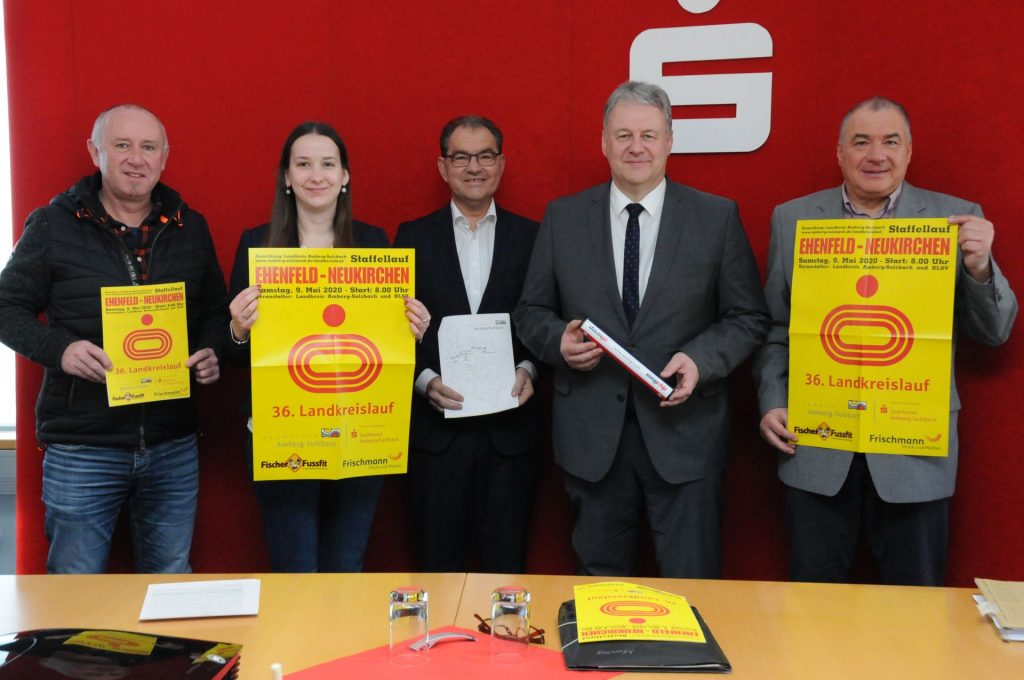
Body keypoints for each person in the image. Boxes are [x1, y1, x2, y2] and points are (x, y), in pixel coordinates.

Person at [753, 96, 1018, 586]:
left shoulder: (955, 219)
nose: (877, 154)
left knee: (915, 614)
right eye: (861, 142)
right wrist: (772, 399)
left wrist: (980, 268)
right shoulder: (792, 220)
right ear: (839, 153)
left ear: (909, 151)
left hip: (914, 454)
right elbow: (775, 328)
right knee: (810, 615)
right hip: (816, 449)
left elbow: (995, 332)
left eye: (890, 141)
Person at [513, 81, 769, 578]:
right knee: (599, 595)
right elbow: (530, 310)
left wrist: (701, 359)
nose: (636, 147)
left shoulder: (715, 217)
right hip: (592, 442)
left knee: (692, 590)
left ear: (670, 141)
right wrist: (558, 344)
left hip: (685, 439)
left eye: (649, 135)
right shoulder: (564, 218)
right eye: (624, 134)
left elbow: (748, 317)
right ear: (604, 142)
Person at [0, 104, 229, 573]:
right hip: (83, 447)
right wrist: (59, 350)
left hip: (171, 443)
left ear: (164, 157)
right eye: (121, 145)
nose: (136, 159)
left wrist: (212, 352)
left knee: (169, 588)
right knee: (74, 593)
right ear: (95, 152)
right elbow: (5, 308)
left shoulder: (191, 227)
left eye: (148, 148)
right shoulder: (52, 224)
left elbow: (213, 313)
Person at [227, 121, 430, 573]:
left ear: (345, 176)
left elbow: (386, 354)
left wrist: (413, 329)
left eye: (327, 164)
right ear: (286, 176)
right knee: (295, 571)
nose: (315, 175)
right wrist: (238, 329)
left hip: (360, 436)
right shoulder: (255, 245)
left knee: (346, 570)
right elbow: (238, 356)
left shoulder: (375, 244)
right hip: (282, 438)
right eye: (303, 164)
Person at [393, 115, 541, 572]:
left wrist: (530, 368)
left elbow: (545, 319)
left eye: (485, 156)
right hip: (438, 438)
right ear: (443, 166)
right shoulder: (410, 238)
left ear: (501, 163)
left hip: (511, 438)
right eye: (461, 157)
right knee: (438, 570)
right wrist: (422, 379)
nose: (473, 167)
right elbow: (394, 329)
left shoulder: (535, 237)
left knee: (507, 574)